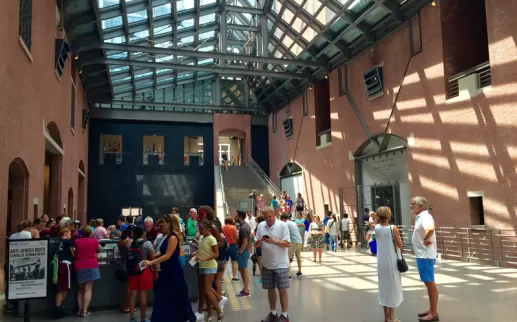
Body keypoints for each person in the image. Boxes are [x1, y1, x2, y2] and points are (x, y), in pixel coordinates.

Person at [141, 214, 196, 322]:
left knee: (177, 294)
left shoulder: (173, 237)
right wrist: (148, 258)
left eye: (163, 223)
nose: (160, 225)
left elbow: (168, 255)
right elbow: (162, 253)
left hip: (173, 271)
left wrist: (151, 262)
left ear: (169, 224)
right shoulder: (166, 236)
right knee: (164, 296)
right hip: (165, 271)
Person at [254, 207, 291, 322]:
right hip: (267, 264)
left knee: (282, 289)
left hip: (280, 263)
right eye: (265, 217)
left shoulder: (282, 226)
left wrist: (273, 241)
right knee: (270, 289)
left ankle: (284, 315)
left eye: (269, 217)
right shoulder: (261, 226)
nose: (268, 219)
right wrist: (258, 241)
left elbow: (287, 243)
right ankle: (273, 313)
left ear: (274, 214)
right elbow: (255, 244)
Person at [412, 197, 439, 322]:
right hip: (422, 255)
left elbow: (430, 228)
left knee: (430, 283)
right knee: (428, 284)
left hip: (425, 255)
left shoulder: (425, 217)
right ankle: (431, 309)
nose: (411, 206)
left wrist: (426, 239)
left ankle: (433, 313)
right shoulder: (421, 216)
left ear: (421, 205)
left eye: (413, 204)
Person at [375, 206, 403, 322]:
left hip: (381, 261)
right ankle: (391, 318)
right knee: (393, 288)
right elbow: (400, 244)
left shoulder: (376, 227)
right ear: (389, 215)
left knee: (384, 288)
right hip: (391, 261)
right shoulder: (393, 228)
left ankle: (386, 317)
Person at [194, 220, 225, 322]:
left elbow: (216, 254)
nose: (200, 231)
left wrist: (204, 259)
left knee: (207, 290)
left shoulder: (212, 239)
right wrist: (197, 254)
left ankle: (220, 311)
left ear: (208, 229)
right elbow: (202, 250)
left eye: (202, 229)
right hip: (202, 266)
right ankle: (220, 299)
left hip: (210, 266)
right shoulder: (202, 238)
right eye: (200, 229)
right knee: (207, 288)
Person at [127, 226, 155, 322]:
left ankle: (132, 318)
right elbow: (152, 258)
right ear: (142, 233)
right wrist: (155, 271)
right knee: (143, 295)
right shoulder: (147, 243)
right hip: (145, 270)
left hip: (132, 271)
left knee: (132, 295)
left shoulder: (130, 244)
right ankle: (143, 318)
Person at [73, 226, 101, 317]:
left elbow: (74, 252)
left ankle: (79, 309)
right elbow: (99, 249)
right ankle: (85, 311)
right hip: (92, 265)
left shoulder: (77, 242)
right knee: (88, 288)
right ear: (91, 233)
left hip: (80, 265)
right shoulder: (94, 241)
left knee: (80, 289)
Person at [53, 228, 74, 318]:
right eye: (69, 233)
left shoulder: (57, 242)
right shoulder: (68, 242)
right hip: (66, 265)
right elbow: (73, 253)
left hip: (58, 265)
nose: (71, 236)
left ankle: (58, 309)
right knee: (65, 287)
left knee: (60, 288)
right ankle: (59, 307)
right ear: (65, 233)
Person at [235, 210, 252, 297]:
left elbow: (244, 243)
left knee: (243, 269)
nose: (235, 216)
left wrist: (239, 252)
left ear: (240, 217)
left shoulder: (243, 228)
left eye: (236, 215)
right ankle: (245, 289)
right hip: (246, 251)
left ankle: (246, 290)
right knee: (241, 269)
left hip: (244, 251)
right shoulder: (244, 226)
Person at [221, 216, 239, 282]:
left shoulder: (222, 227)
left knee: (224, 262)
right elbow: (236, 237)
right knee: (234, 261)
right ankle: (234, 277)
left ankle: (221, 277)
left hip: (225, 246)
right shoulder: (233, 228)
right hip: (233, 246)